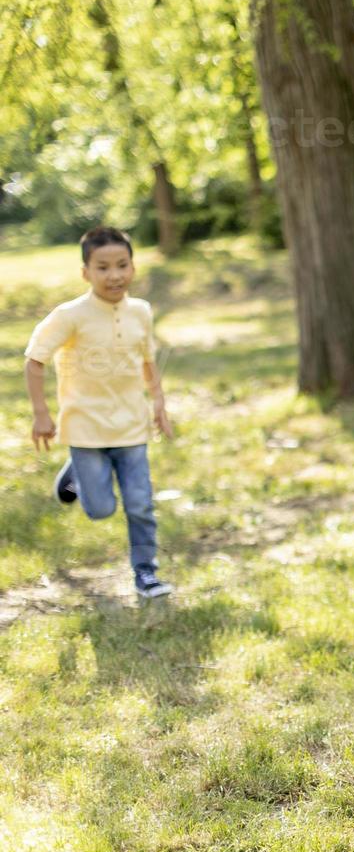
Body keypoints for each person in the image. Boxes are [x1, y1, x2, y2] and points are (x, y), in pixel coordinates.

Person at [25, 226, 175, 598]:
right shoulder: (70, 315)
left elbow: (147, 360)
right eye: (103, 267)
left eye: (122, 265)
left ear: (133, 268)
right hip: (85, 429)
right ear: (86, 272)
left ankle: (146, 574)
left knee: (140, 504)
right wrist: (42, 415)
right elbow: (34, 360)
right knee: (101, 509)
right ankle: (75, 472)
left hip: (131, 426)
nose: (115, 275)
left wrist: (158, 403)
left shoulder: (141, 311)